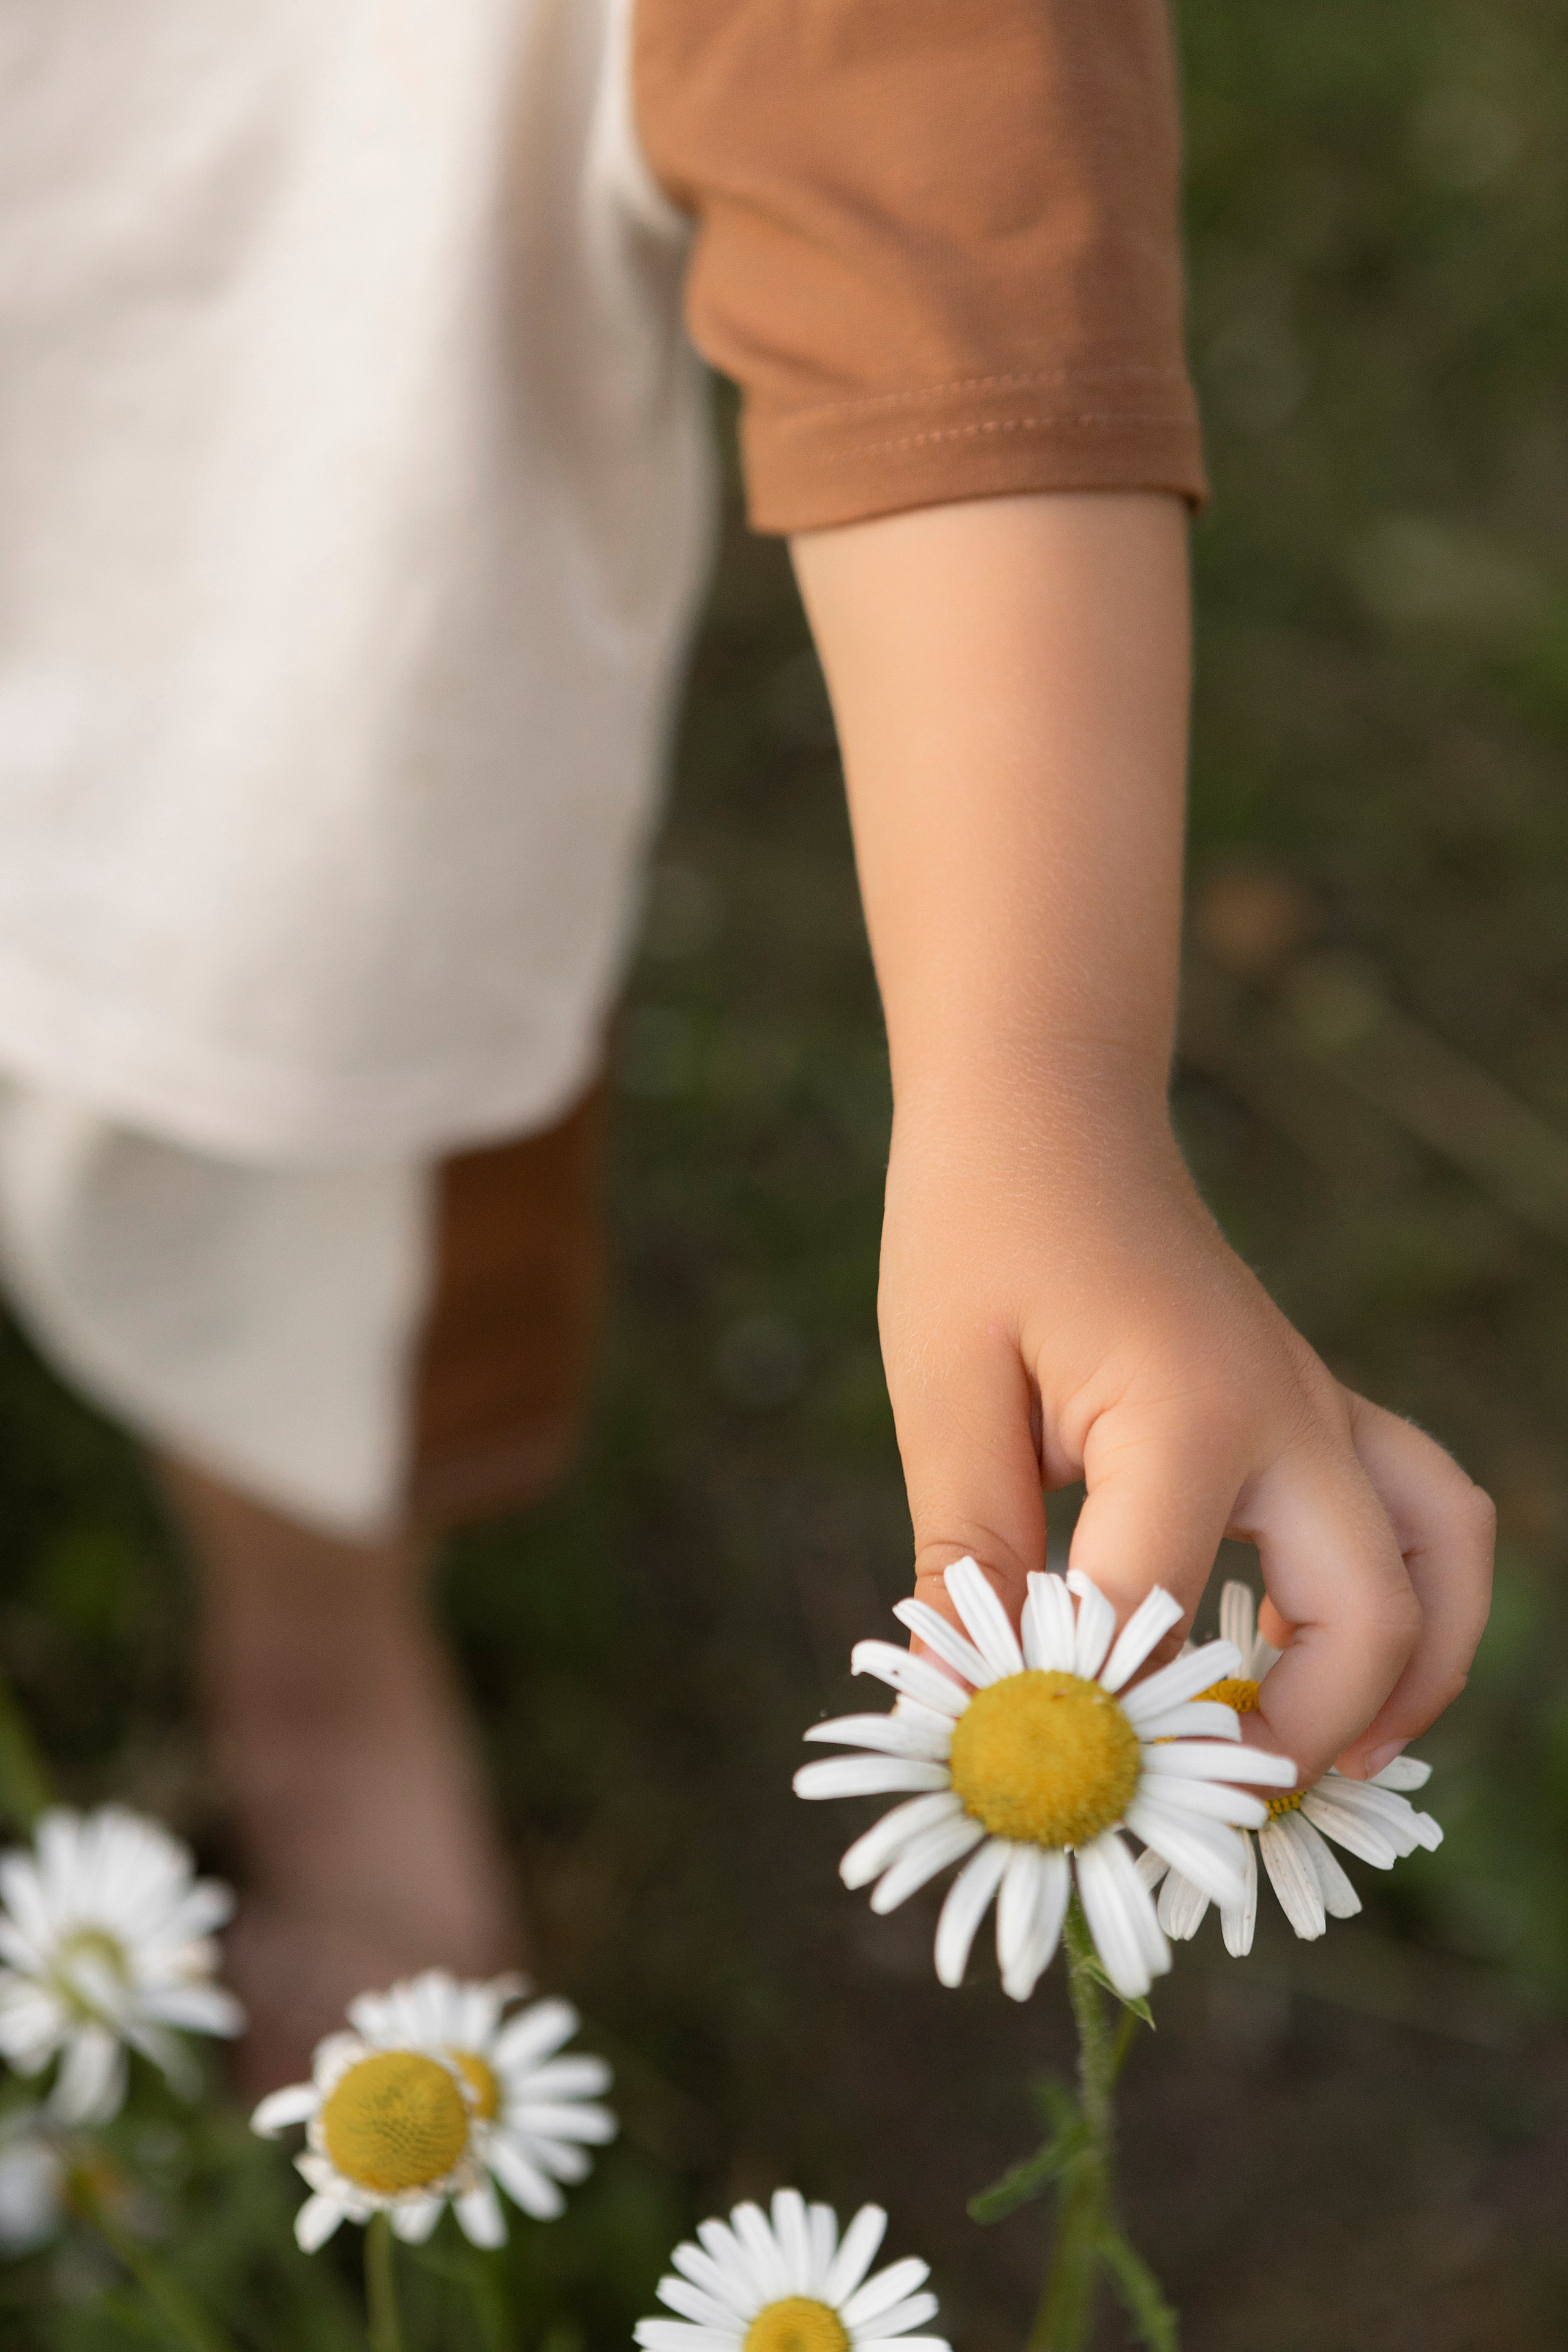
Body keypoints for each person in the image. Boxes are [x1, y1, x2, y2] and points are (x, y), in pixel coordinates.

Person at [0, 0, 1493, 2087]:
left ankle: (317, 1645)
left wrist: (1034, 1089)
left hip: (292, 692)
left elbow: (939, 140)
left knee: (303, 1276)